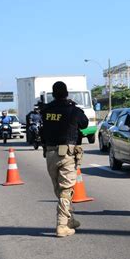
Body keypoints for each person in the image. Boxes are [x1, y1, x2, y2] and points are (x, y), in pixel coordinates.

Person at [41, 81, 88, 237]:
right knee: (66, 191)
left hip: (50, 153)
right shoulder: (73, 110)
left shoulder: (46, 110)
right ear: (67, 93)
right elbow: (84, 123)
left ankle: (69, 220)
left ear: (53, 94)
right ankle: (61, 225)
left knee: (60, 190)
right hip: (66, 154)